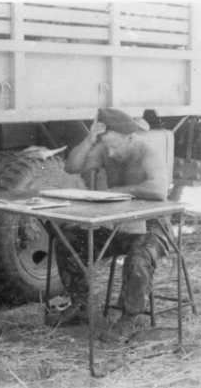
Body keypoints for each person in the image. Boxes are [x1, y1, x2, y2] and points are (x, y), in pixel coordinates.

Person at [46, 107, 172, 342]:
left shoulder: (148, 152)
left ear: (131, 137)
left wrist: (117, 192)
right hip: (119, 225)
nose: (111, 153)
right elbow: (71, 167)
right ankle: (80, 304)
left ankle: (130, 318)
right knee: (69, 242)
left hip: (153, 226)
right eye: (107, 146)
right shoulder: (106, 151)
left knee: (139, 256)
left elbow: (159, 190)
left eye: (117, 146)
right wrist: (89, 139)